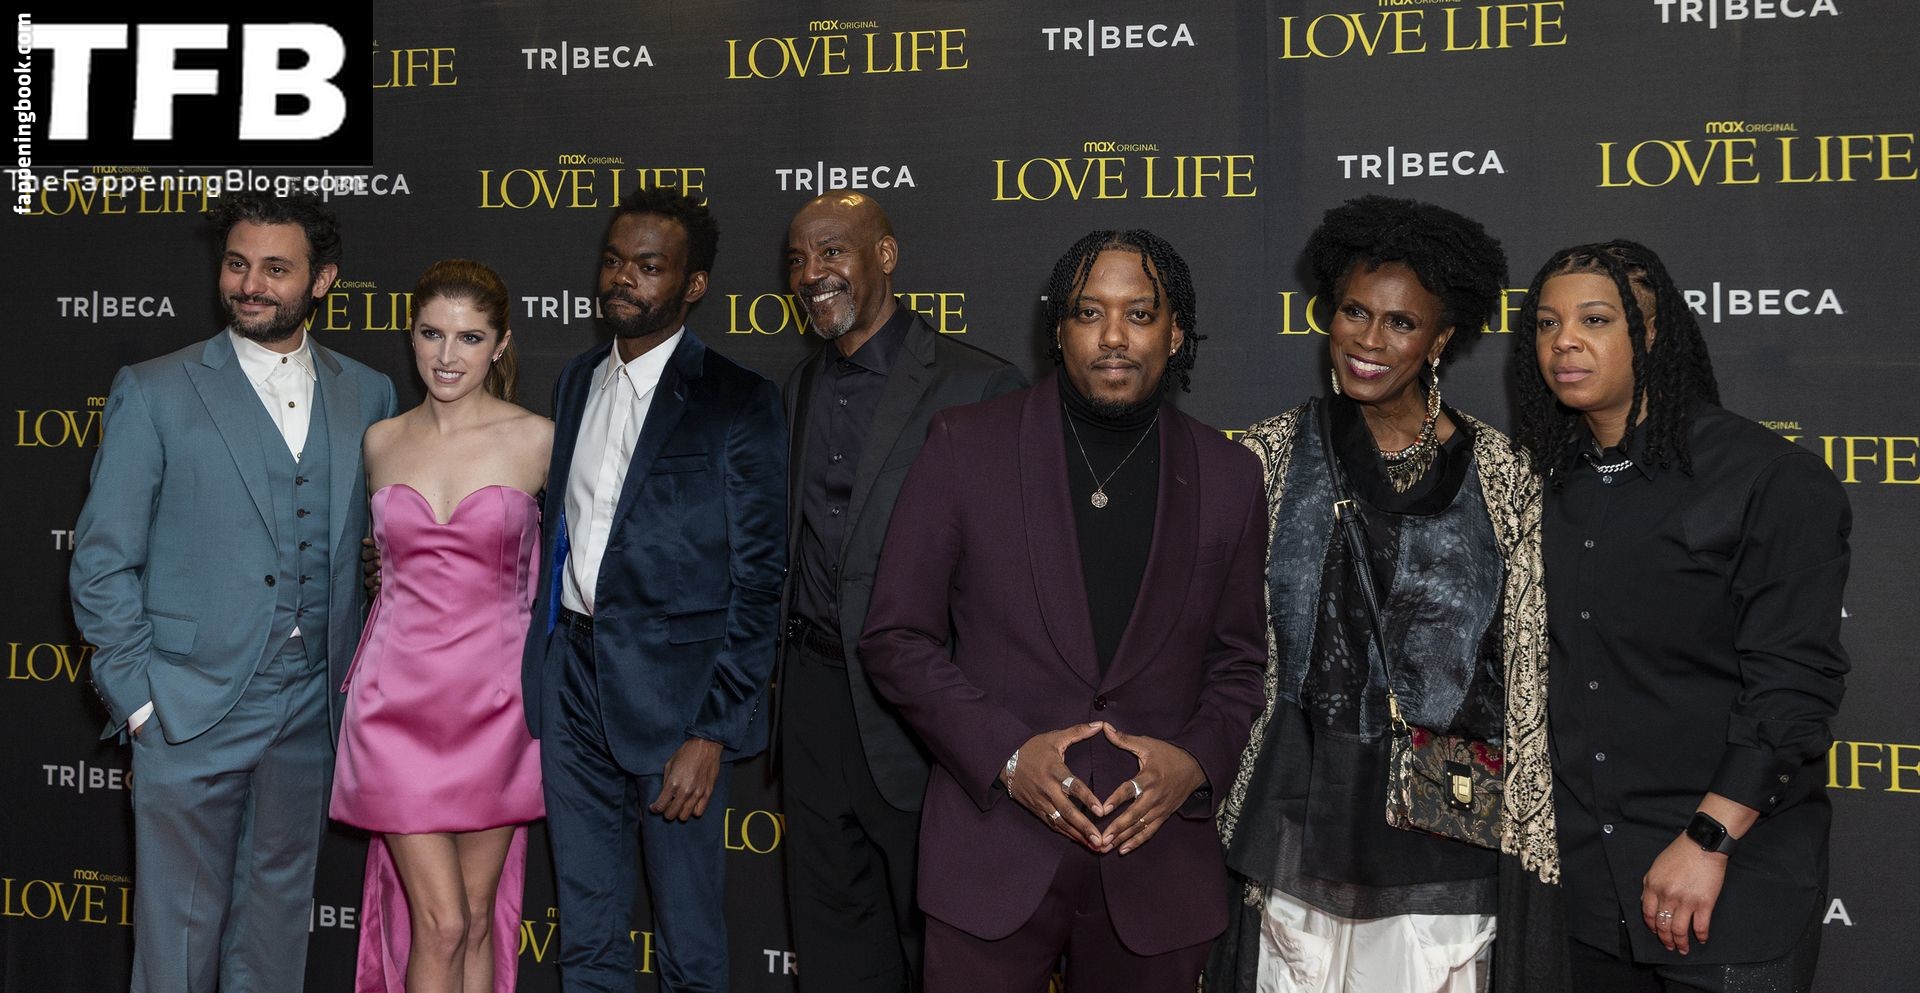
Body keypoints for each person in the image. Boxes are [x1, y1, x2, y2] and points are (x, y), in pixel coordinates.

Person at [859, 229, 1268, 993]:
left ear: (1175, 333)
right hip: (991, 855)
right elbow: (895, 636)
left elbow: (1241, 661)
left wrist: (1194, 762)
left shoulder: (1231, 475)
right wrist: (1007, 756)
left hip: (1156, 872)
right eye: (1088, 311)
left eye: (1139, 313)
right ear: (1058, 328)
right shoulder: (965, 445)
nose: (1113, 335)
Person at [1208, 195, 1559, 993]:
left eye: (1401, 323)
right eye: (1354, 312)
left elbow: (1527, 678)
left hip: (1441, 834)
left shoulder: (1504, 478)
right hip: (1292, 819)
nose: (1368, 339)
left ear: (1441, 339)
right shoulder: (1264, 459)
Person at [69, 191, 397, 993]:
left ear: (323, 280)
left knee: (276, 933)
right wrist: (139, 700)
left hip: (311, 710)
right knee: (176, 944)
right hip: (187, 705)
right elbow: (102, 558)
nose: (250, 285)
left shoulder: (369, 393)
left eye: (276, 269)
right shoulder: (155, 389)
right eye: (238, 264)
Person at [1511, 240, 1848, 993]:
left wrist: (1707, 839)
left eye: (1596, 319)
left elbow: (1794, 687)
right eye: (1547, 323)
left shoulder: (1767, 477)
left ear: (1654, 332)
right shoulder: (1544, 483)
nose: (1564, 341)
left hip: (1730, 884)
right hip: (1582, 893)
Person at [520, 187, 787, 993]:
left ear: (692, 284)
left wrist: (713, 730)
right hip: (572, 683)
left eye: (647, 266)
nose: (622, 279)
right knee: (587, 935)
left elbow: (761, 580)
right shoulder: (575, 382)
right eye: (613, 261)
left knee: (688, 945)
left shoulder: (737, 398)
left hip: (679, 706)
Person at [776, 190, 1026, 992]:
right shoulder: (797, 388)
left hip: (920, 722)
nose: (811, 273)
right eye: (798, 260)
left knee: (943, 956)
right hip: (812, 708)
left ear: (884, 256)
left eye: (831, 252)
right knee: (833, 949)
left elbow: (1013, 584)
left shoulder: (978, 385)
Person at [330, 260, 550, 993]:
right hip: (394, 704)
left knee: (479, 918)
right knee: (444, 922)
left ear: (501, 343)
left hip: (499, 706)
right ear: (411, 335)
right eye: (432, 334)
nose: (447, 355)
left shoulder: (540, 440)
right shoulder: (380, 441)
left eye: (469, 337)